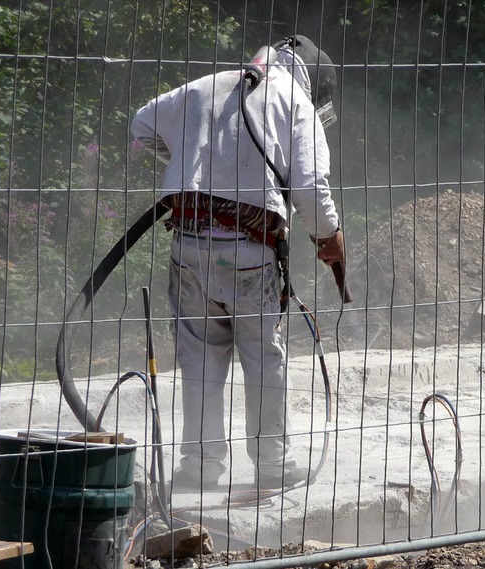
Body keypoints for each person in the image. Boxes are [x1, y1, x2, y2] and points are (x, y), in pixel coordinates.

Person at [131, 35, 345, 490]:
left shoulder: (205, 86)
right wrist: (330, 239)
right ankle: (273, 468)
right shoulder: (294, 101)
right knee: (264, 358)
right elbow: (309, 187)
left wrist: (197, 160)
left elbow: (141, 125)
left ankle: (200, 469)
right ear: (310, 79)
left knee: (199, 358)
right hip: (249, 252)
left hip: (188, 246)